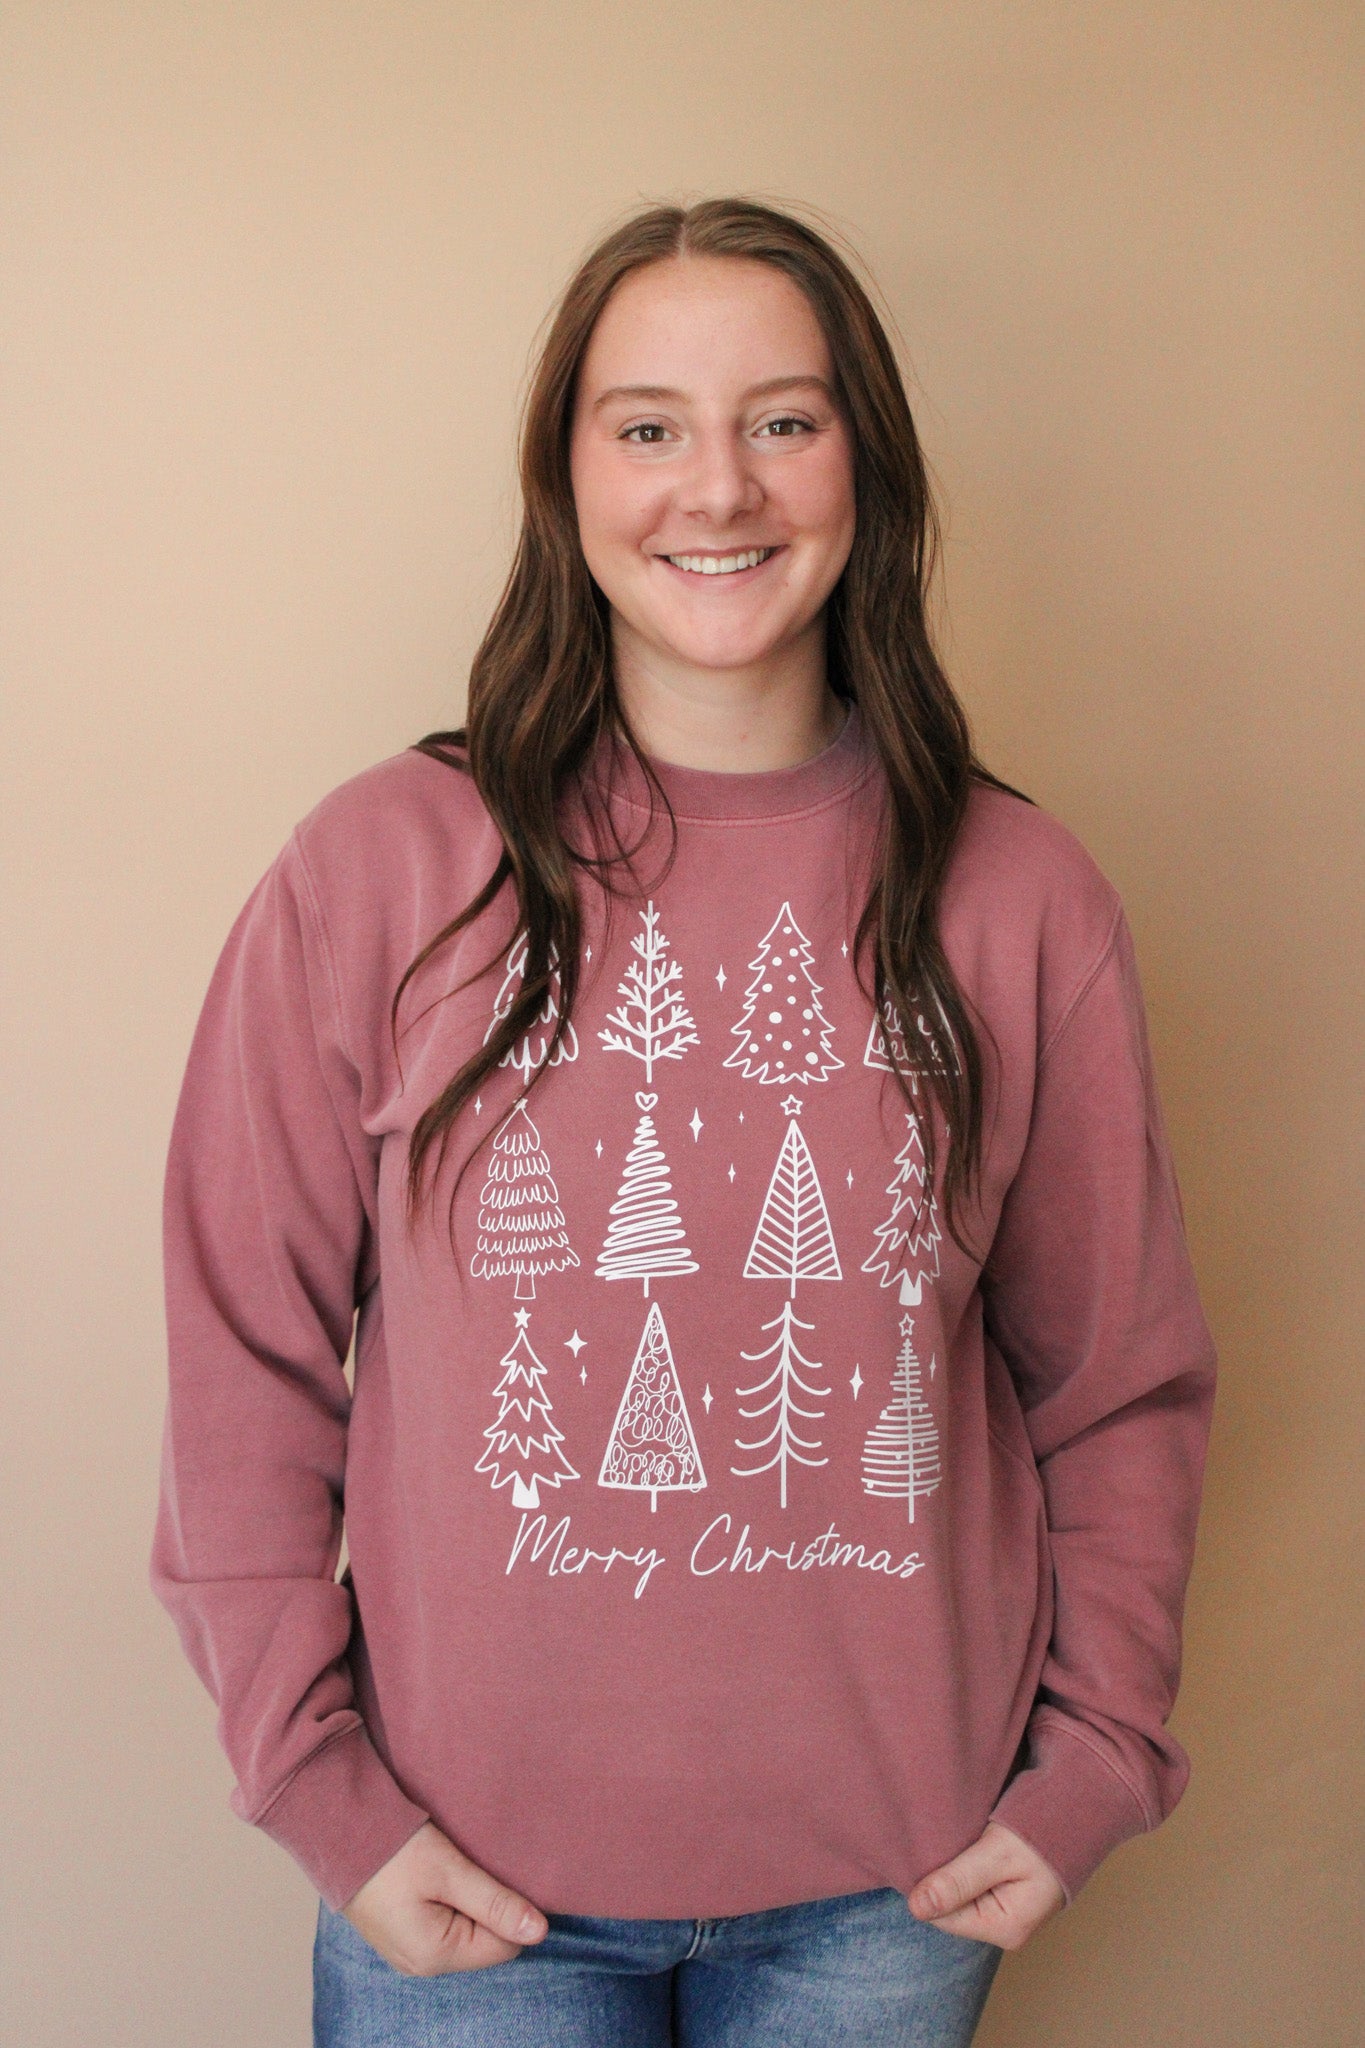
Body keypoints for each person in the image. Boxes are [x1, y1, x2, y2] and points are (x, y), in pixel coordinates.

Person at [149, 198, 1217, 2047]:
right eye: (647, 425)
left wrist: (1097, 1758)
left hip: (893, 1895)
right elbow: (240, 1353)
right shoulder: (383, 865)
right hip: (460, 1886)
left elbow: (1116, 1379)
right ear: (565, 477)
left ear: (864, 465)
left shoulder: (1022, 894)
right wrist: (317, 1786)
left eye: (783, 420)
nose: (717, 487)